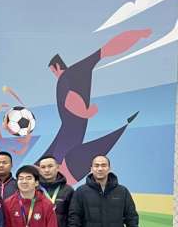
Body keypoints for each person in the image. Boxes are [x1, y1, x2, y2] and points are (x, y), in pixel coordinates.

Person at [44, 29, 151, 184]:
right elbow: (106, 50)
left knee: (57, 175)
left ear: (56, 67)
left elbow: (69, 99)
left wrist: (84, 112)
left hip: (67, 143)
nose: (54, 73)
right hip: (67, 140)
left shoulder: (65, 78)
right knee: (48, 174)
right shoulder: (78, 71)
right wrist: (138, 35)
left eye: (52, 70)